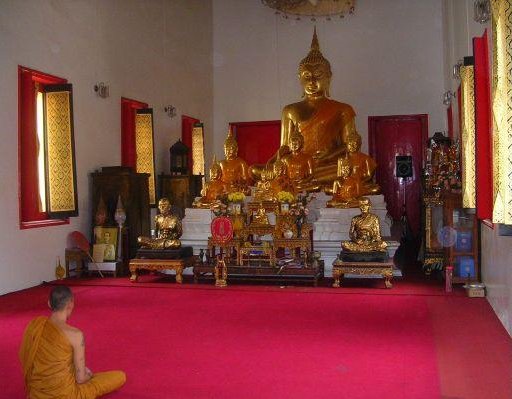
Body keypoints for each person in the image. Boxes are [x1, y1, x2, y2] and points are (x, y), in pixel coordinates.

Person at [19, 286, 126, 398]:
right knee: (120, 376)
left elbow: (27, 360)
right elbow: (80, 379)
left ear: (49, 304)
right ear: (71, 304)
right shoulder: (75, 334)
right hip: (66, 395)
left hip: (36, 394)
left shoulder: (34, 327)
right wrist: (88, 375)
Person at [219, 128, 252, 195]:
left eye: (232, 149)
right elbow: (216, 179)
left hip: (236, 189)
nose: (229, 151)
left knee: (247, 190)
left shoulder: (241, 162)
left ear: (236, 150)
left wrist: (239, 181)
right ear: (224, 150)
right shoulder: (220, 163)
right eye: (227, 149)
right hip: (223, 189)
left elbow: (247, 180)